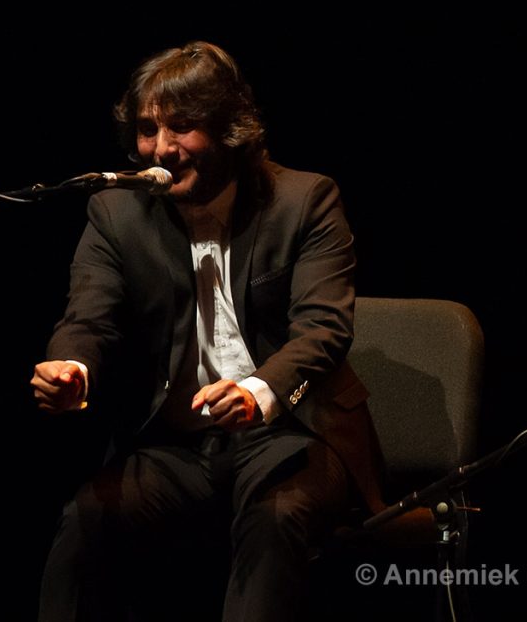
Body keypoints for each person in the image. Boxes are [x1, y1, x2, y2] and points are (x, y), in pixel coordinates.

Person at [31, 41, 382, 621]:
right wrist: (74, 367)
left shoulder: (305, 200)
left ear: (230, 130)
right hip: (177, 449)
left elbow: (323, 329)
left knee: (276, 519)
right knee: (85, 519)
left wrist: (256, 392)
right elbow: (88, 317)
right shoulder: (116, 212)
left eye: (183, 127)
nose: (161, 149)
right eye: (148, 130)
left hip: (293, 435)